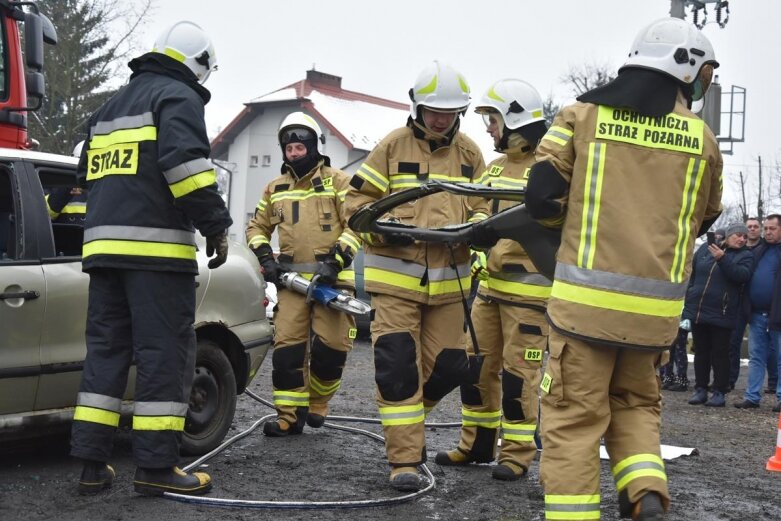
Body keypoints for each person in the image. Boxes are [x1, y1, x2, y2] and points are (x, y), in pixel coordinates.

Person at [525, 18, 722, 520]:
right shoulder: (702, 140)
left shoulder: (581, 116)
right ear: (686, 70)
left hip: (583, 312)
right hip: (653, 317)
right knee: (636, 407)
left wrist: (563, 230)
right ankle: (645, 496)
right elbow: (706, 216)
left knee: (573, 420)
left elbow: (541, 194)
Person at [69, 21, 231, 497]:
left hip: (104, 256)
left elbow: (85, 176)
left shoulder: (109, 106)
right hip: (156, 257)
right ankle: (156, 468)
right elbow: (186, 169)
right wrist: (216, 224)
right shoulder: (176, 98)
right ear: (198, 63)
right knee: (164, 355)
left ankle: (91, 467)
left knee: (105, 354)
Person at [344, 60, 489, 491]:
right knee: (398, 372)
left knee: (448, 368)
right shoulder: (391, 147)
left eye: (448, 112)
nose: (441, 119)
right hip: (396, 288)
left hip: (450, 289)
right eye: (433, 111)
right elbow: (355, 206)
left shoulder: (470, 153)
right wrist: (385, 228)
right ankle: (404, 458)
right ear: (417, 107)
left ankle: (402, 423)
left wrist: (481, 226)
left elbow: (485, 205)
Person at [434, 79, 551, 482]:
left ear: (515, 118)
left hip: (531, 296)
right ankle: (477, 445)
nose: (488, 128)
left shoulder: (550, 168)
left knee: (520, 376)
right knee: (475, 369)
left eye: (493, 119)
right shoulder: (497, 167)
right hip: (491, 291)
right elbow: (477, 209)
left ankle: (517, 454)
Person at [246, 112, 361, 436]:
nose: (294, 153)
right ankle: (288, 417)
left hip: (333, 282)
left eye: (300, 147)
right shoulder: (275, 188)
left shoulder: (339, 181)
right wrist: (266, 258)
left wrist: (336, 261)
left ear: (313, 146)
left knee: (332, 350)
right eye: (289, 148)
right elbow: (257, 226)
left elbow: (356, 225)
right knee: (287, 353)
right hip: (291, 284)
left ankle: (318, 403)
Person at [684, 223, 753, 407]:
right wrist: (690, 295)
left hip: (723, 312)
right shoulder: (706, 251)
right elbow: (693, 274)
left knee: (721, 355)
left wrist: (723, 259)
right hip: (699, 309)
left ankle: (719, 392)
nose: (742, 239)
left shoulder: (746, 256)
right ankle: (700, 389)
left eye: (745, 237)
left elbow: (741, 275)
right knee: (701, 352)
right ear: (729, 235)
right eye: (738, 235)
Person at [735, 214, 781, 411]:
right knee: (756, 357)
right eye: (766, 228)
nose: (767, 232)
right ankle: (752, 397)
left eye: (772, 228)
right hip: (756, 314)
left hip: (778, 316)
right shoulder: (759, 250)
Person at [727, 217, 765, 390]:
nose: (752, 229)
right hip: (736, 301)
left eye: (755, 226)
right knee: (732, 342)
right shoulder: (734, 250)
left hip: (757, 303)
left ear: (760, 229)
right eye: (749, 226)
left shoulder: (765, 248)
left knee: (764, 348)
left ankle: (771, 383)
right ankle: (729, 379)